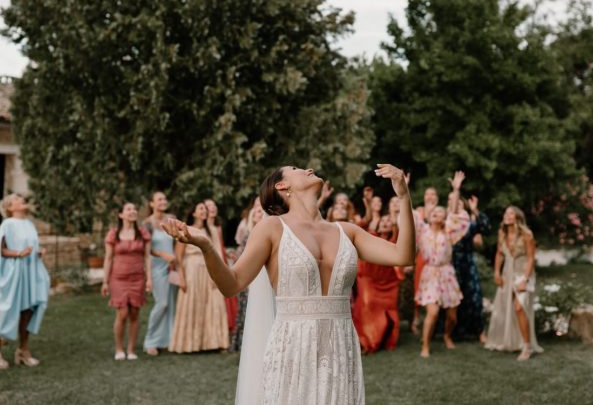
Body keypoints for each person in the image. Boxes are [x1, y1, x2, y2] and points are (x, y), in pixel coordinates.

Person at [162, 164, 416, 405]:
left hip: (340, 345)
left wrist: (404, 197)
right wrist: (206, 246)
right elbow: (232, 284)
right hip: (294, 346)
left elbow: (403, 256)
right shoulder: (272, 228)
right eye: (296, 169)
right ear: (282, 186)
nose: (307, 169)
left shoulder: (347, 231)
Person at [0, 193, 50, 369]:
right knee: (4, 309)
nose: (22, 200)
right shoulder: (7, 224)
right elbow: (0, 250)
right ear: (10, 208)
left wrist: (37, 252)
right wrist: (19, 253)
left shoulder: (29, 224)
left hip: (29, 272)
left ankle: (23, 351)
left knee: (27, 310)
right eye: (17, 199)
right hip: (13, 273)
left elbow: (29, 246)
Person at [415, 171, 470, 358]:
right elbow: (407, 215)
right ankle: (426, 345)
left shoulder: (449, 231)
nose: (436, 213)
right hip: (430, 274)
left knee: (452, 315)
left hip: (446, 273)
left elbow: (454, 214)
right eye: (434, 212)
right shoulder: (422, 231)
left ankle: (447, 335)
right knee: (433, 312)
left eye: (440, 212)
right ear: (429, 216)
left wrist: (456, 190)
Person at [169, 202, 229, 353]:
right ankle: (189, 344)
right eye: (201, 208)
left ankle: (213, 342)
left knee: (212, 303)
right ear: (193, 213)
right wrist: (181, 277)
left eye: (205, 209)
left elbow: (218, 254)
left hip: (209, 270)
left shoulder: (212, 231)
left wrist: (219, 276)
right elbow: (179, 256)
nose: (204, 211)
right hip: (192, 271)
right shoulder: (185, 229)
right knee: (192, 303)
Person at [485, 206, 543, 360]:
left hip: (523, 273)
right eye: (506, 213)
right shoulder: (502, 233)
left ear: (517, 217)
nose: (507, 215)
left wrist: (525, 279)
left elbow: (531, 258)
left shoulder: (526, 235)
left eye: (511, 213)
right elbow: (499, 253)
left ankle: (527, 346)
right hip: (507, 273)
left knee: (519, 307)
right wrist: (496, 272)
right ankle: (508, 341)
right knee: (506, 308)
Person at [102, 202, 152, 360]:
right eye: (128, 209)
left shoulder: (143, 233)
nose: (133, 211)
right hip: (118, 279)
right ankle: (119, 348)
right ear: (121, 214)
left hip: (138, 278)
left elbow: (147, 257)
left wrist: (149, 279)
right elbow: (108, 258)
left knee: (135, 313)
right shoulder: (113, 234)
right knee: (122, 313)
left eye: (134, 209)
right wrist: (104, 281)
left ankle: (131, 349)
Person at [352, 213, 404, 353]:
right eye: (383, 221)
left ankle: (387, 340)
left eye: (389, 221)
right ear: (378, 225)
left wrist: (395, 223)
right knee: (368, 308)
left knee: (389, 311)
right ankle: (369, 341)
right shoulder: (371, 237)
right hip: (369, 279)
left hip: (389, 283)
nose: (386, 223)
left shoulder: (396, 240)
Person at [451, 195, 492, 343]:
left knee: (474, 297)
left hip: (467, 264)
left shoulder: (469, 224)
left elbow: (486, 228)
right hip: (449, 266)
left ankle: (479, 331)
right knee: (453, 301)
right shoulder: (445, 222)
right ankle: (453, 332)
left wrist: (475, 210)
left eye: (460, 204)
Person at [142, 191, 177, 356]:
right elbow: (146, 250)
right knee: (161, 303)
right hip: (156, 268)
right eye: (159, 199)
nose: (163, 201)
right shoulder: (147, 223)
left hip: (172, 266)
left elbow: (177, 241)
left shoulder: (171, 219)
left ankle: (167, 340)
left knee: (170, 304)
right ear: (151, 204)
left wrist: (175, 260)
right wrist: (164, 255)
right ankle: (150, 341)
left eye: (164, 198)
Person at [230, 197, 265, 352]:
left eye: (261, 212)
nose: (259, 214)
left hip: (264, 276)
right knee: (246, 309)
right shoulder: (248, 234)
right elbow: (241, 255)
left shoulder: (267, 233)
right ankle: (245, 343)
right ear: (252, 216)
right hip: (250, 276)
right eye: (256, 212)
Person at [206, 198, 239, 334]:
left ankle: (227, 326)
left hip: (222, 262)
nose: (212, 208)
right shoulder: (204, 228)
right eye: (208, 206)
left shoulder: (217, 226)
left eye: (214, 205)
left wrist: (227, 253)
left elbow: (218, 247)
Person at [411, 186, 439, 334]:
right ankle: (416, 319)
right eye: (427, 194)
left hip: (439, 258)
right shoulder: (419, 212)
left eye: (433, 194)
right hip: (423, 256)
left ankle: (436, 323)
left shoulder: (441, 212)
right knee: (418, 286)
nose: (430, 196)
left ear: (437, 197)